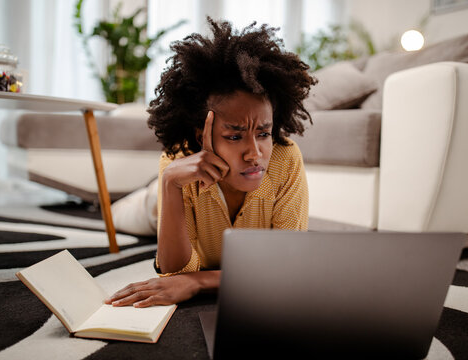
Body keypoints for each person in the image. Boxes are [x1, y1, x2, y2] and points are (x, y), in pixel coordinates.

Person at [105, 17, 315, 308]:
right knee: (112, 217)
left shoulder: (285, 160)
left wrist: (198, 282)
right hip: (157, 205)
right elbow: (173, 271)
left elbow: (283, 269)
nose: (254, 153)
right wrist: (169, 184)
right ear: (201, 133)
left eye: (263, 133)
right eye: (234, 136)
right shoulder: (175, 163)